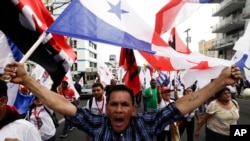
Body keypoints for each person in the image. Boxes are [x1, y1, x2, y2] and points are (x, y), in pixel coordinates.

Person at [2, 62, 241, 140]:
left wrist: (220, 83)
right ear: (106, 108)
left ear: (134, 109)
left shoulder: (147, 123)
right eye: (113, 104)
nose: (118, 109)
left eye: (124, 104)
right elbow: (60, 104)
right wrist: (27, 80)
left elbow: (185, 104)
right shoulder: (97, 123)